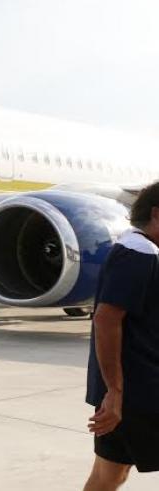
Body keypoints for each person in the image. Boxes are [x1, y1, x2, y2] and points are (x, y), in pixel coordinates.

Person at [84, 181, 159, 490]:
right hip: (139, 394)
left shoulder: (138, 249)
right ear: (157, 214)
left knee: (110, 475)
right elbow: (106, 319)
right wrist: (115, 392)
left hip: (131, 392)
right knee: (109, 475)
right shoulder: (138, 253)